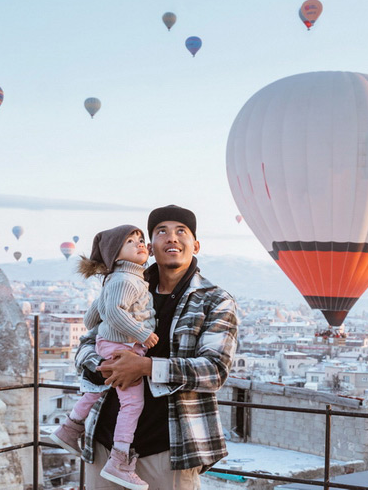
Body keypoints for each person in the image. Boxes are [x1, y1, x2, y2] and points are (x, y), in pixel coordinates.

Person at [74, 205, 239, 490]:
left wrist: (145, 367)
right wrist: (106, 368)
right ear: (150, 247)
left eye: (181, 231)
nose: (171, 238)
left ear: (195, 244)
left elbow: (215, 370)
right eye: (162, 231)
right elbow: (87, 344)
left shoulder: (215, 300)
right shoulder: (124, 285)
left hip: (169, 450)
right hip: (104, 444)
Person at [50, 225, 156, 490]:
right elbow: (116, 313)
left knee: (98, 387)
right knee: (132, 404)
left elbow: (90, 319)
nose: (140, 244)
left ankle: (70, 428)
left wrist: (105, 320)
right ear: (115, 254)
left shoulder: (113, 279)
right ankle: (119, 460)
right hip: (124, 346)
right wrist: (142, 333)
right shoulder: (127, 280)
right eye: (131, 241)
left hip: (108, 345)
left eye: (141, 240)